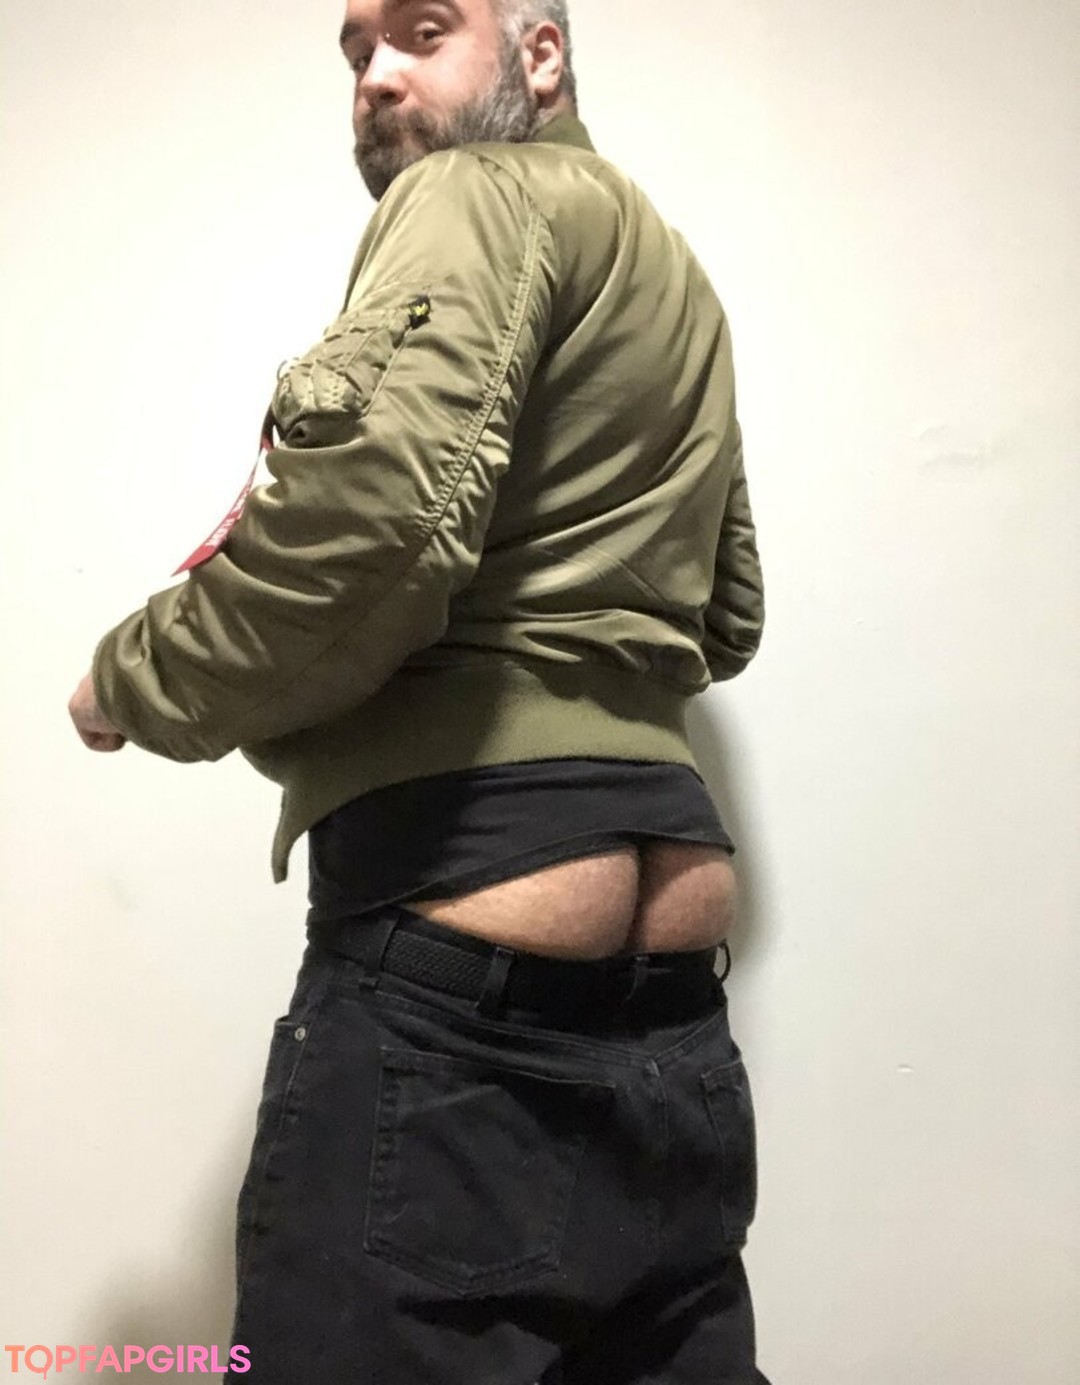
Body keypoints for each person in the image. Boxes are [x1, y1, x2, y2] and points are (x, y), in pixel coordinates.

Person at [68, 0, 768, 1380]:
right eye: (355, 51)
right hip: (673, 1031)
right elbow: (728, 612)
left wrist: (129, 681)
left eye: (423, 29)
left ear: (541, 55)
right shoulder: (676, 271)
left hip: (461, 1007)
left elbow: (376, 530)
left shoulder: (468, 192)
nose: (377, 75)